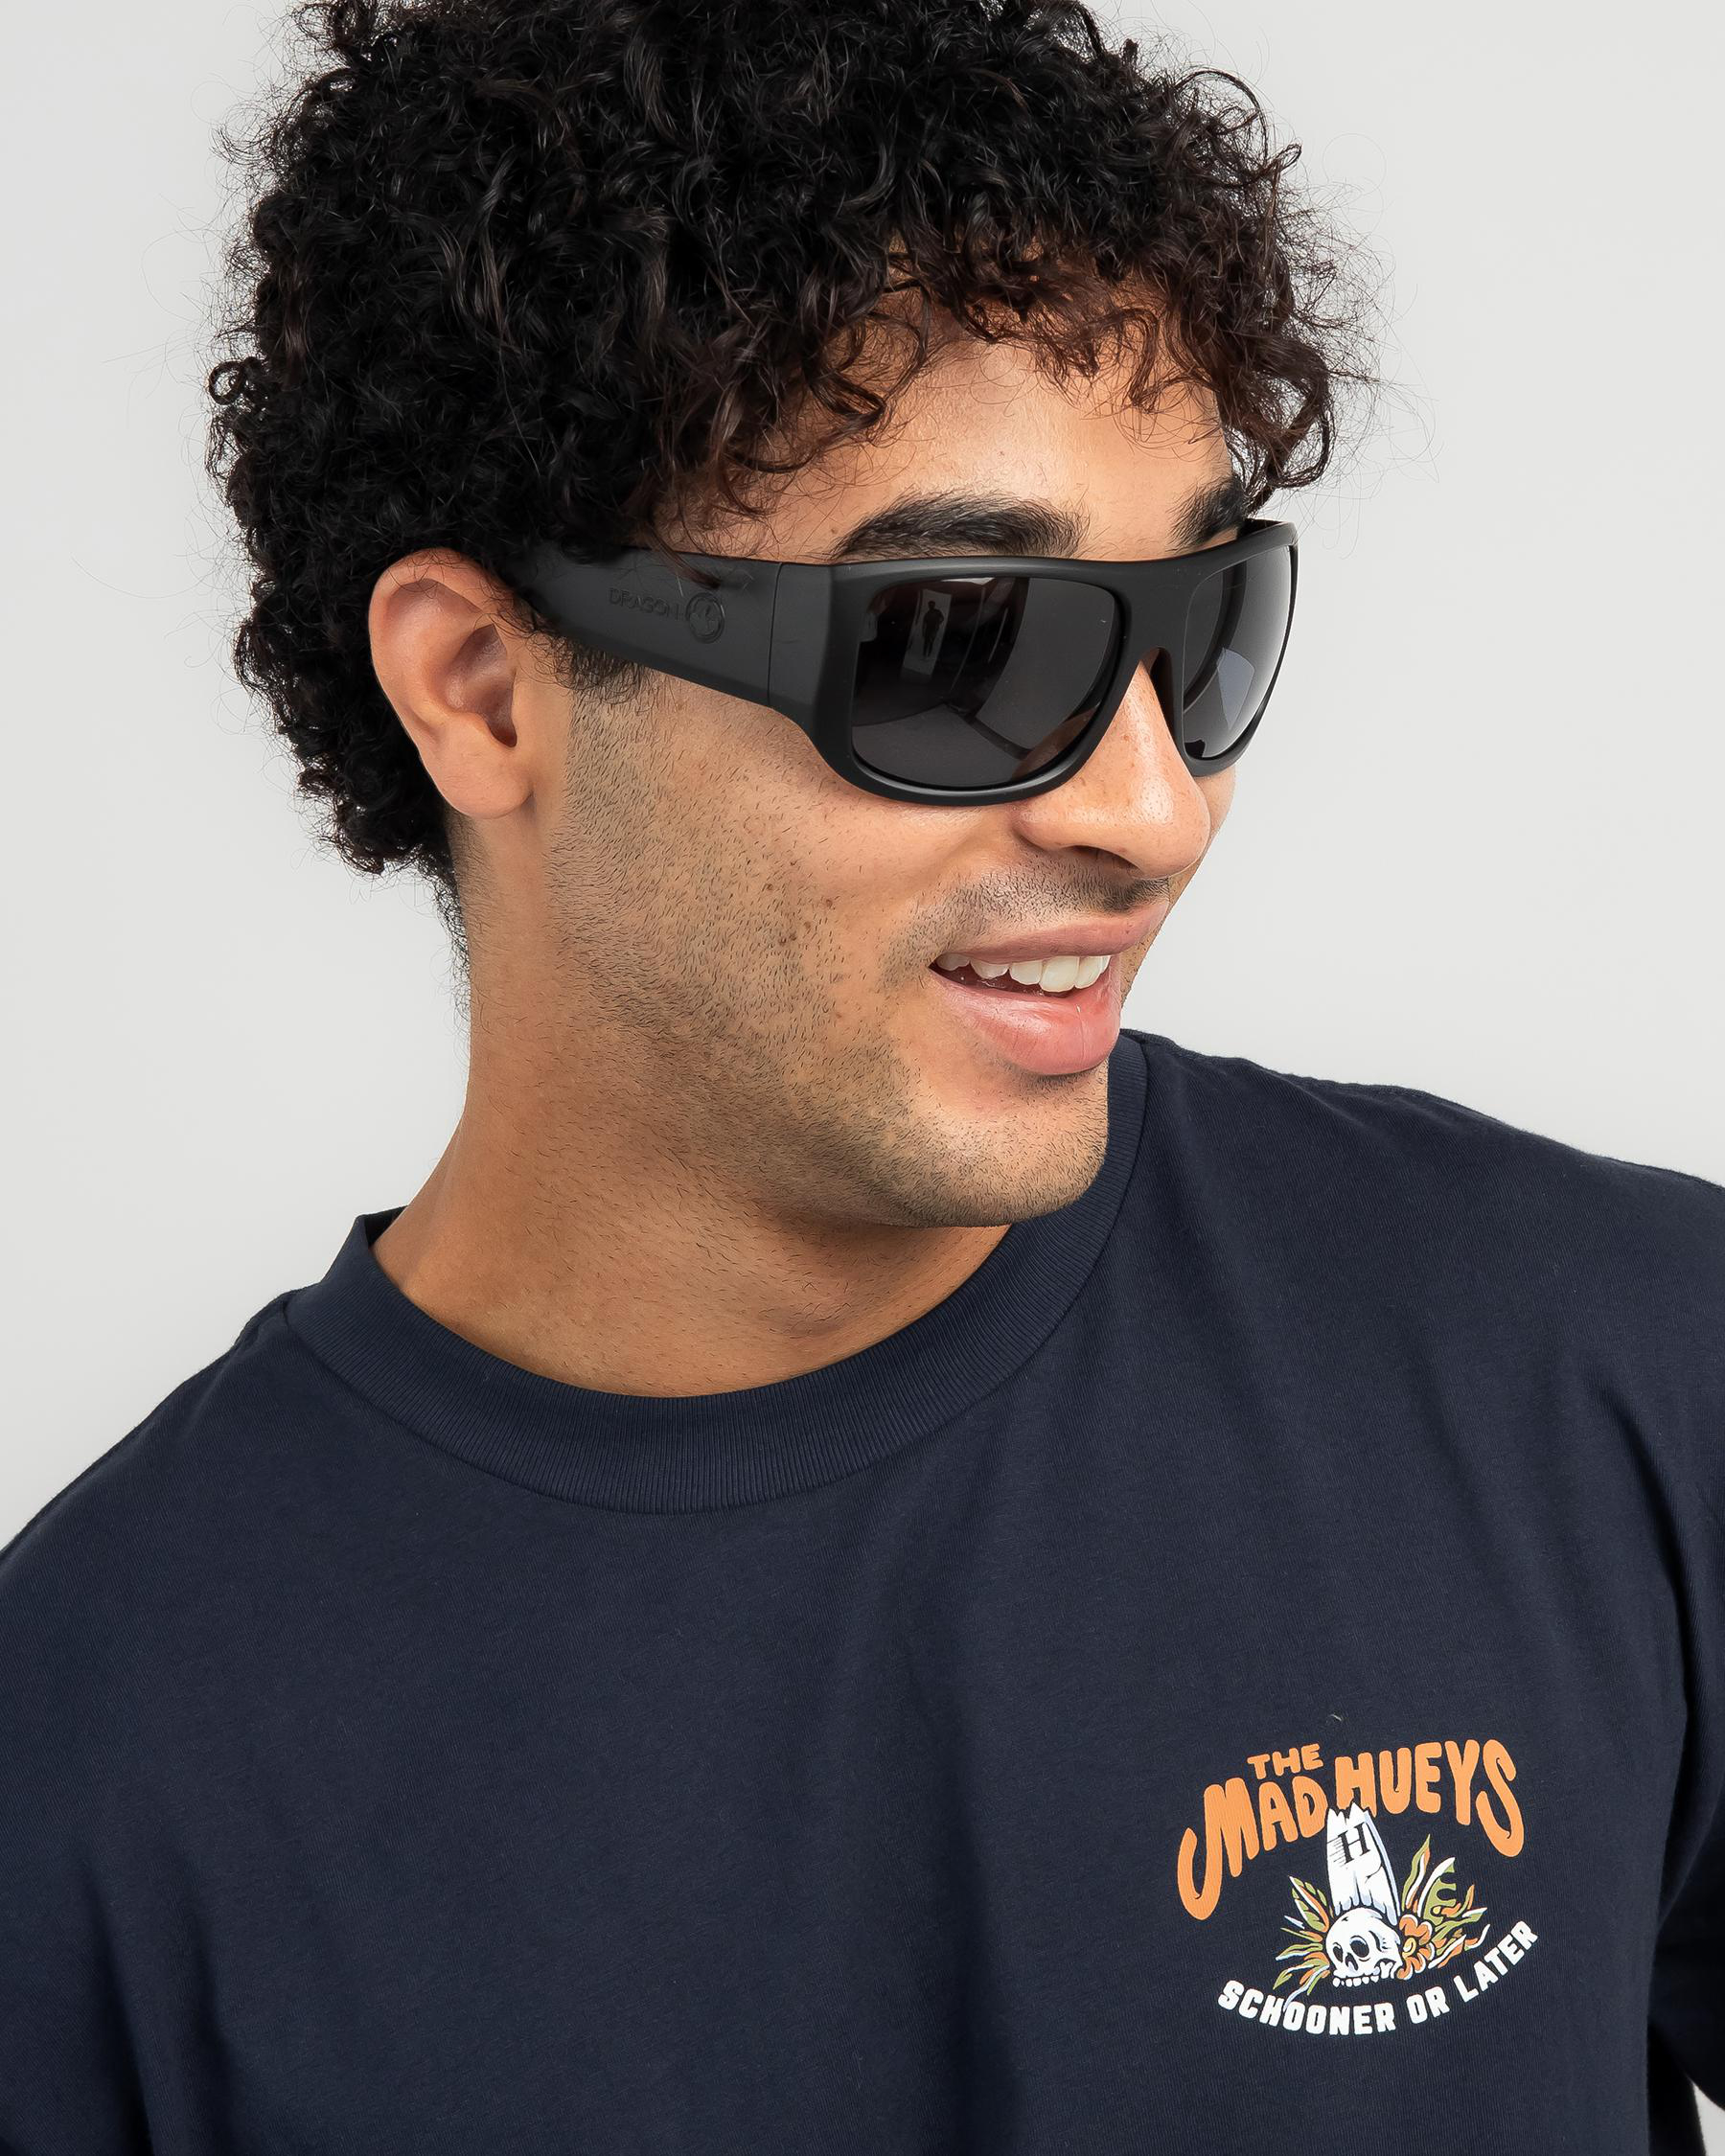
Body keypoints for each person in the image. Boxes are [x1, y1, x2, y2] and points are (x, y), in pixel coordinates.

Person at [3, 0, 1720, 2148]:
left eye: (1200, 626)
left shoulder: (1620, 1379)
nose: (1155, 809)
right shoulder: (84, 1779)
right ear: (484, 689)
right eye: (960, 641)